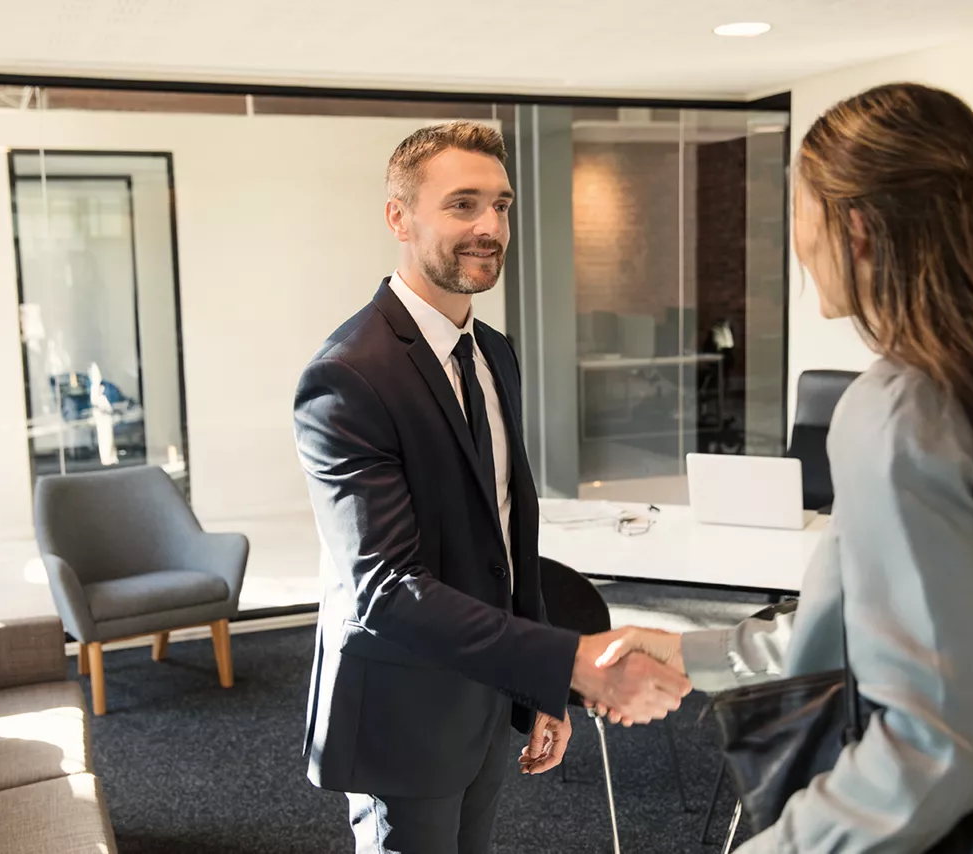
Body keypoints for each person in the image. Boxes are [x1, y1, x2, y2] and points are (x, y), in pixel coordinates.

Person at [595, 82, 973, 852]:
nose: (797, 243)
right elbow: (899, 633)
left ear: (859, 227)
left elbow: (936, 745)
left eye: (798, 212)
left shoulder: (900, 413)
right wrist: (693, 649)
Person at [293, 121, 692, 854]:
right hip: (403, 707)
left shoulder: (494, 354)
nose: (490, 227)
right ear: (399, 218)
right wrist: (565, 663)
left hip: (485, 691)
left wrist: (536, 688)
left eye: (501, 206)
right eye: (463, 205)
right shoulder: (349, 375)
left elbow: (507, 535)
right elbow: (384, 587)